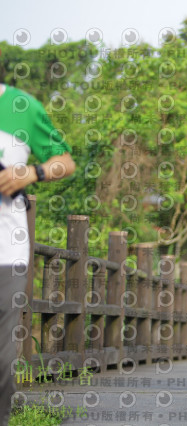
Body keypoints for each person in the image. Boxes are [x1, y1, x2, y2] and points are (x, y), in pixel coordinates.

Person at [0, 83, 76, 426]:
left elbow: (65, 161)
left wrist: (33, 172)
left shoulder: (22, 106)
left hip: (6, 251)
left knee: (3, 358)